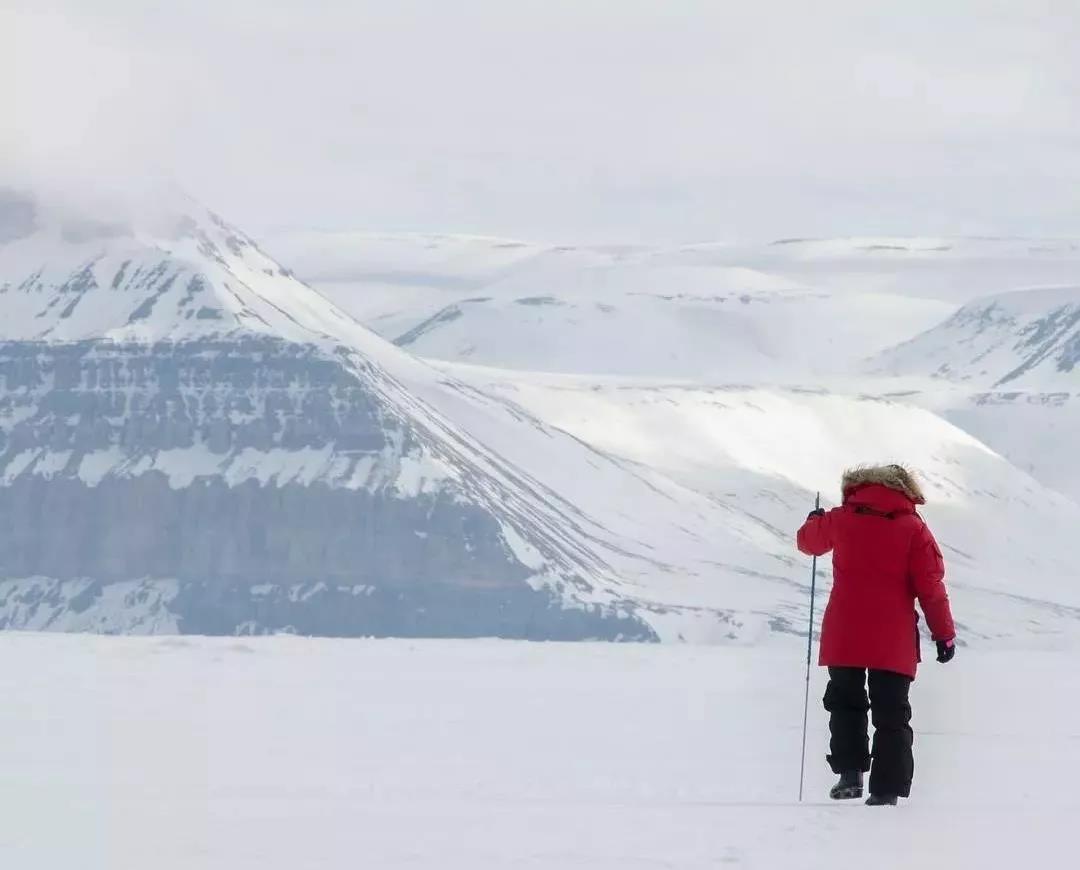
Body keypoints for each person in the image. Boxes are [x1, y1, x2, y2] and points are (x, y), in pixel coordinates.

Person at [796, 464, 956, 806]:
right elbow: (930, 587)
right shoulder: (913, 528)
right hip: (893, 636)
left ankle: (850, 774)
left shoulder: (841, 518)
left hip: (846, 630)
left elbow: (807, 543)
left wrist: (813, 521)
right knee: (891, 713)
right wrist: (944, 634)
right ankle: (885, 791)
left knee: (845, 702)